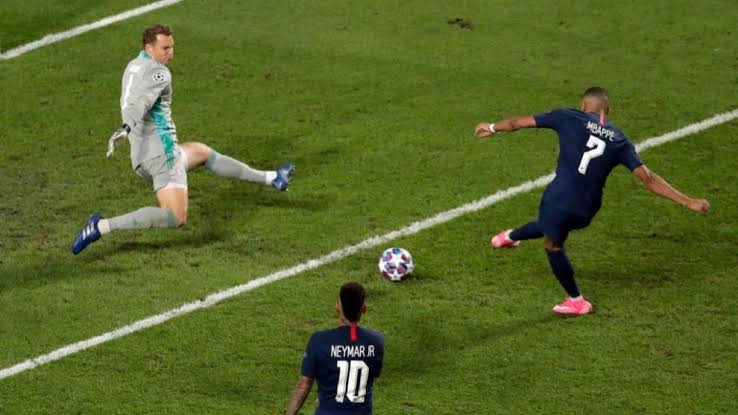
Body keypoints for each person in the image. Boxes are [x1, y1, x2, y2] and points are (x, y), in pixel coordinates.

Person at [473, 87, 710, 315]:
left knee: (552, 244)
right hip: (587, 208)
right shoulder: (619, 140)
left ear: (584, 105)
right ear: (608, 109)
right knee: (552, 225)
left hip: (559, 198)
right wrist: (687, 201)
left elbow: (517, 123)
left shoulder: (567, 116)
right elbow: (648, 178)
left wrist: (491, 127)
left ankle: (577, 301)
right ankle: (510, 237)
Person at [71, 24, 293, 255]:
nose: (170, 53)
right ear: (149, 48)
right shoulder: (159, 73)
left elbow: (134, 101)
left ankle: (272, 178)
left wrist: (127, 126)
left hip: (141, 154)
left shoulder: (133, 66)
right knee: (176, 216)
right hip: (163, 155)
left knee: (202, 152)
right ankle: (101, 226)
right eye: (164, 48)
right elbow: (144, 102)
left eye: (172, 47)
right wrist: (126, 126)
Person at [286, 282, 384, 415]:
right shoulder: (376, 341)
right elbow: (373, 373)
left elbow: (305, 385)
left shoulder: (319, 340)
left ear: (338, 307)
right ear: (364, 309)